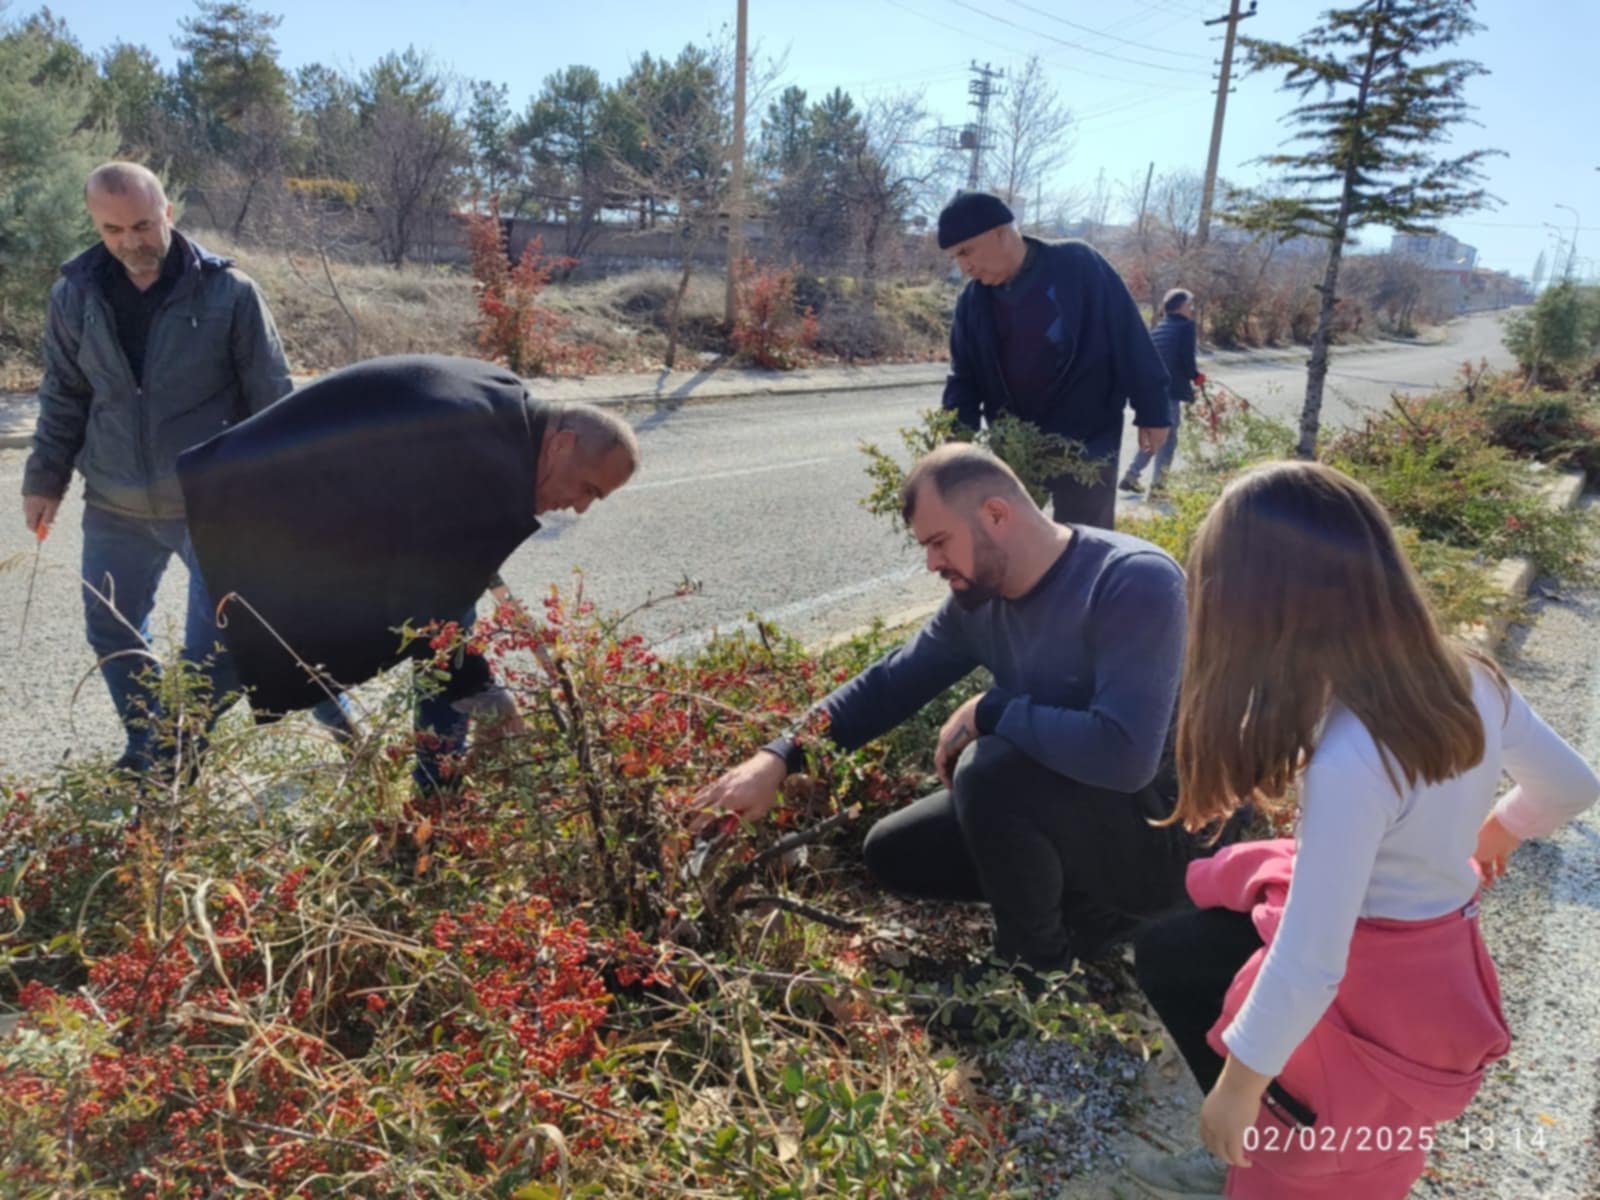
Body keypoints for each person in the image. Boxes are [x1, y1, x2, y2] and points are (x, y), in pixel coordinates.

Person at [1127, 462, 1599, 1199]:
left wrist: (1240, 1087)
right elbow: (1573, 785)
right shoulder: (1466, 675)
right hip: (1442, 948)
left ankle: (1260, 1143)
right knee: (1180, 948)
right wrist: (1497, 833)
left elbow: (1314, 959)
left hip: (1369, 974)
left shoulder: (1351, 753)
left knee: (1220, 1001)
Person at [693, 444, 1233, 1020]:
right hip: (1084, 817)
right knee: (895, 851)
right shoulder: (979, 602)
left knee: (990, 769)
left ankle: (1036, 982)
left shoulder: (1131, 581)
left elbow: (1126, 757)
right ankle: (1088, 919)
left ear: (996, 515)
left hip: (1171, 837)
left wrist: (990, 710)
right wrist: (778, 757)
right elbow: (888, 685)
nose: (931, 564)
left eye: (938, 542)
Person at [176, 354, 638, 790]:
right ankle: (150, 817)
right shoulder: (487, 467)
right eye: (587, 489)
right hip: (243, 525)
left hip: (297, 516)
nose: (579, 507)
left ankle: (437, 797)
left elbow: (444, 586)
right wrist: (483, 689)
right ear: (562, 444)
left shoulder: (507, 410)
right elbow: (436, 602)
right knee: (209, 683)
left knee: (443, 654)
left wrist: (473, 678)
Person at [19, 161, 346, 774]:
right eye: (113, 230)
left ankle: (197, 746)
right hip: (113, 503)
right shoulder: (75, 294)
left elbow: (272, 399)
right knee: (113, 633)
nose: (130, 243)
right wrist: (45, 479)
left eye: (143, 225)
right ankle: (154, 749)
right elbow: (65, 393)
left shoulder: (230, 293)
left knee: (220, 647)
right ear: (96, 225)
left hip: (210, 504)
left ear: (169, 212)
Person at [937, 191, 1172, 529]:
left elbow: (1128, 334)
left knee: (1086, 543)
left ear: (1001, 233)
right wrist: (955, 442)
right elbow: (964, 378)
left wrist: (1153, 409)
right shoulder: (972, 304)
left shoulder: (1078, 265)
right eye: (955, 258)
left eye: (965, 251)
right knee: (1006, 537)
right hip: (1016, 444)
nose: (963, 266)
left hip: (1088, 440)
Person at [1121, 288, 1204, 496]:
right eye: (1190, 305)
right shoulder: (1186, 327)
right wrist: (1195, 376)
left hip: (1153, 389)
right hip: (1169, 390)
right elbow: (1186, 359)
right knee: (1168, 438)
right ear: (1181, 306)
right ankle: (1158, 486)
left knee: (1156, 435)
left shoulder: (1160, 326)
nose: (1192, 310)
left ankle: (1131, 476)